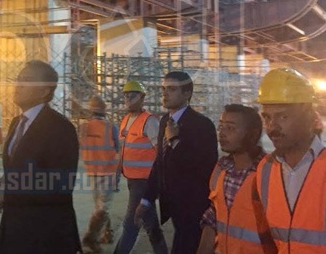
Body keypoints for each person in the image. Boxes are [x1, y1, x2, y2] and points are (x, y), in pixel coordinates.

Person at [0, 60, 81, 254]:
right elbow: (17, 168)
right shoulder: (16, 123)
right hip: (15, 230)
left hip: (46, 235)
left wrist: (9, 192)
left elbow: (60, 184)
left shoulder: (60, 128)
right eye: (18, 79)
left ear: (44, 91)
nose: (18, 85)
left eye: (26, 80)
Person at [135, 71, 218, 253]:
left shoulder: (202, 125)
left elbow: (205, 168)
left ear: (187, 94)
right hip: (173, 204)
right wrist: (147, 199)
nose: (165, 94)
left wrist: (175, 141)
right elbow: (160, 162)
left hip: (194, 205)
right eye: (163, 89)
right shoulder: (165, 121)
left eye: (172, 89)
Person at [253, 68, 326, 252]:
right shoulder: (265, 169)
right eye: (267, 117)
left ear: (309, 115)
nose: (272, 127)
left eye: (283, 116)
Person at [196, 104, 274, 254]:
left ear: (253, 135)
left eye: (230, 128)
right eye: (221, 126)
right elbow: (213, 214)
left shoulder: (269, 173)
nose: (222, 133)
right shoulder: (221, 168)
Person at [114, 81, 168, 254]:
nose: (128, 99)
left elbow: (162, 153)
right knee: (151, 225)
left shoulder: (149, 121)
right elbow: (124, 150)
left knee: (131, 223)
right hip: (132, 180)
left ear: (142, 98)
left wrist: (159, 180)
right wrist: (117, 173)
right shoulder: (125, 120)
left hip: (144, 182)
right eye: (126, 96)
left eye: (133, 96)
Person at [79, 95, 120, 253]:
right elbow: (118, 150)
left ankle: (107, 234)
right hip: (107, 172)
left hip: (92, 171)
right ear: (104, 111)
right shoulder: (110, 127)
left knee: (100, 206)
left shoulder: (83, 128)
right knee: (103, 208)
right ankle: (90, 239)